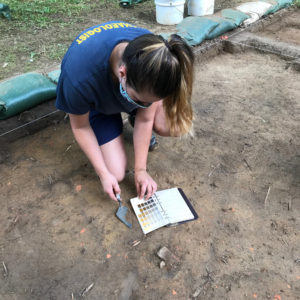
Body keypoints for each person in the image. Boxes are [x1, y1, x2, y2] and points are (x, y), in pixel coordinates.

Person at [56, 20, 194, 202]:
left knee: (172, 126)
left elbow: (145, 119)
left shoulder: (153, 55)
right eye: (140, 101)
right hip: (98, 104)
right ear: (122, 73)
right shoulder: (79, 79)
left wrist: (141, 170)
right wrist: (103, 174)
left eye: (150, 102)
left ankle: (132, 117)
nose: (144, 106)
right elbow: (80, 127)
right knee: (115, 172)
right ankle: (112, 117)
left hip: (127, 88)